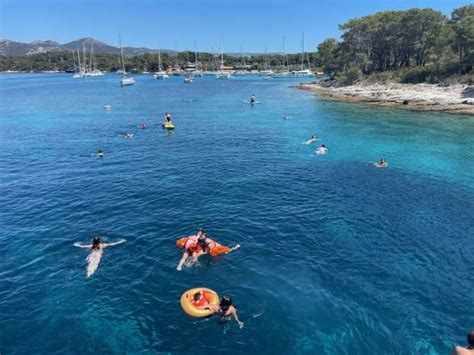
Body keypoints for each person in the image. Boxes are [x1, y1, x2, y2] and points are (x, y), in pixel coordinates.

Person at [176, 228, 240, 271]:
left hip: (209, 248)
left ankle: (235, 247)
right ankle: (180, 266)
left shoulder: (207, 240)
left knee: (223, 253)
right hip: (201, 247)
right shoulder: (194, 237)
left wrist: (210, 251)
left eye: (200, 234)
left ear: (204, 234)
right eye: (198, 234)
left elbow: (211, 247)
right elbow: (186, 239)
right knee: (188, 254)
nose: (198, 235)